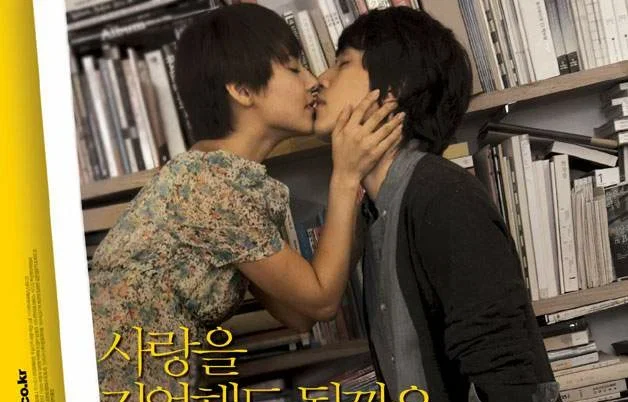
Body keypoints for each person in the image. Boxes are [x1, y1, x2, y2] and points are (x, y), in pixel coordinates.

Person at [89, 3, 402, 396]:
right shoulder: (213, 185)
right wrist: (345, 175)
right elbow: (321, 301)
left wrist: (363, 197)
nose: (314, 82)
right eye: (294, 68)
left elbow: (298, 315)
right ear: (241, 90)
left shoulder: (223, 179)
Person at [312, 7, 559, 402]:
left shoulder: (441, 195)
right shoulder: (376, 210)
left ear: (392, 90)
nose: (320, 79)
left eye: (342, 64)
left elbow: (505, 367)